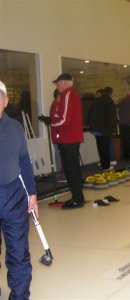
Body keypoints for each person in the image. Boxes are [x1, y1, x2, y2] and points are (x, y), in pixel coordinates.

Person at [0, 80, 38, 298]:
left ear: (5, 101)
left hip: (13, 195)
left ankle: (20, 295)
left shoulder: (15, 127)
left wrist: (32, 194)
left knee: (18, 250)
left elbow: (24, 161)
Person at [51, 73, 85, 209]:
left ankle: (77, 198)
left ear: (64, 82)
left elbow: (65, 119)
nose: (57, 85)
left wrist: (52, 123)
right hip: (71, 138)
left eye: (58, 83)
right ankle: (77, 197)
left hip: (69, 139)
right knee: (72, 170)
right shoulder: (71, 95)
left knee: (71, 170)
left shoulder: (68, 95)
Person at [88, 86, 118, 170]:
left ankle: (103, 163)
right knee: (106, 147)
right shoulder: (109, 101)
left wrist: (91, 127)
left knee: (100, 147)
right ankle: (106, 165)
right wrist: (114, 129)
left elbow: (91, 115)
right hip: (106, 128)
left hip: (97, 129)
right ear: (110, 93)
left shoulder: (96, 101)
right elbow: (112, 116)